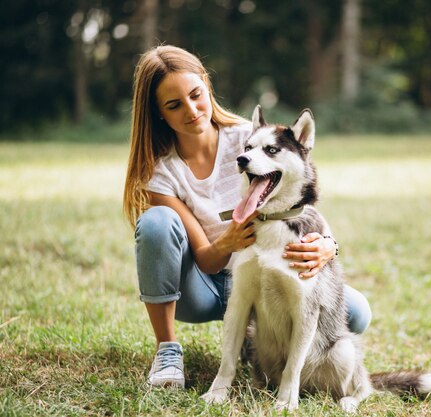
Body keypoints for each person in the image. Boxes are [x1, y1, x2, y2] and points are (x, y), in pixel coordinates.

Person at [122, 45, 371, 389]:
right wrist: (230, 239)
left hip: (271, 271)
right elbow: (208, 260)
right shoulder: (162, 175)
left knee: (355, 312)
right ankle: (167, 350)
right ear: (159, 113)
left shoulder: (251, 140)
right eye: (174, 104)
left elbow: (301, 200)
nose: (192, 110)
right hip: (206, 286)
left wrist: (328, 244)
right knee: (155, 222)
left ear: (207, 87)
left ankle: (253, 342)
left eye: (196, 95)